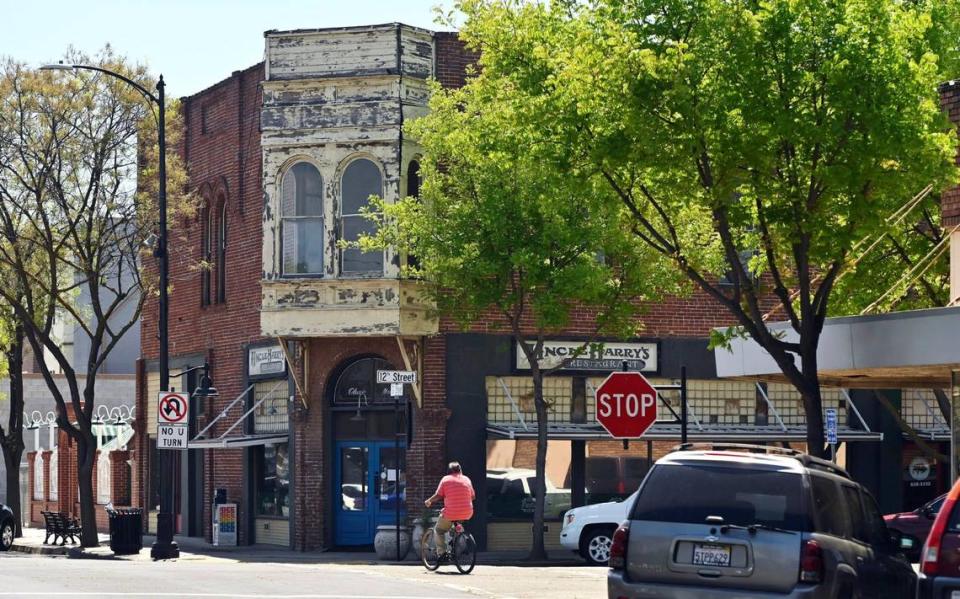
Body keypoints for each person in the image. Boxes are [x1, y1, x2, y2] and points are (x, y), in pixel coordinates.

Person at [424, 461, 475, 558]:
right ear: (460, 470)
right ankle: (457, 536)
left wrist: (429, 501)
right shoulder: (467, 479)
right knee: (456, 523)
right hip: (467, 512)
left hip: (451, 513)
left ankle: (442, 553)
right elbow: (473, 497)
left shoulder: (445, 479)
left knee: (439, 530)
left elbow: (439, 495)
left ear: (449, 471)